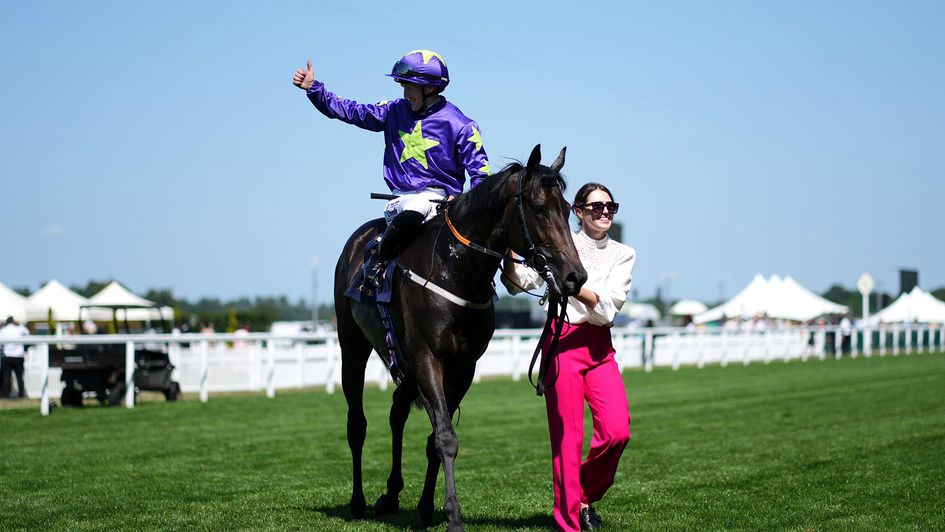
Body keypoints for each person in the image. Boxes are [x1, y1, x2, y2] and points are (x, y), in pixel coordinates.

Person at [292, 49, 491, 292]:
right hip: (403, 201)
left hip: (448, 206)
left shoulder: (463, 126)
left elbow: (482, 178)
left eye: (410, 87)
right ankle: (377, 259)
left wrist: (462, 202)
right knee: (420, 205)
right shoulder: (393, 111)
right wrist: (315, 89)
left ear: (430, 88)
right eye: (403, 86)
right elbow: (351, 111)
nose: (405, 93)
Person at [502, 182, 636, 531]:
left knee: (617, 431)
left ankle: (583, 496)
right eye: (596, 207)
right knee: (567, 442)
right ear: (578, 212)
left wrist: (572, 285)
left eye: (610, 206)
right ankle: (568, 523)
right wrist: (509, 254)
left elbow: (607, 310)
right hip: (561, 343)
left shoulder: (624, 254)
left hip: (599, 348)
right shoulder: (560, 242)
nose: (604, 212)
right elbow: (522, 282)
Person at [0, 316, 30, 399]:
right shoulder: (19, 329)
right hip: (18, 356)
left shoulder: (3, 330)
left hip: (8, 356)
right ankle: (21, 395)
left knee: (6, 377)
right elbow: (27, 333)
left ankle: (6, 395)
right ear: (13, 321)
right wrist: (20, 324)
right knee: (19, 377)